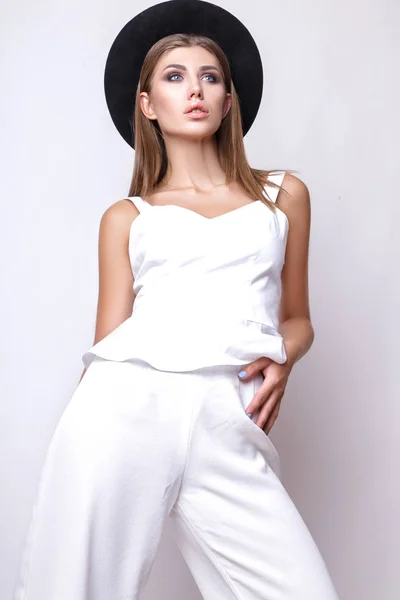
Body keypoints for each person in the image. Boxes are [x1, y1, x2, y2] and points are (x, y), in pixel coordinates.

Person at [13, 1, 340, 599]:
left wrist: (283, 356)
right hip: (125, 408)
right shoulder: (126, 217)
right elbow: (106, 345)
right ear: (147, 104)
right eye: (175, 76)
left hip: (228, 415)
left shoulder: (282, 195)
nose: (196, 90)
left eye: (210, 77)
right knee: (72, 586)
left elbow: (298, 319)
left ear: (230, 99)